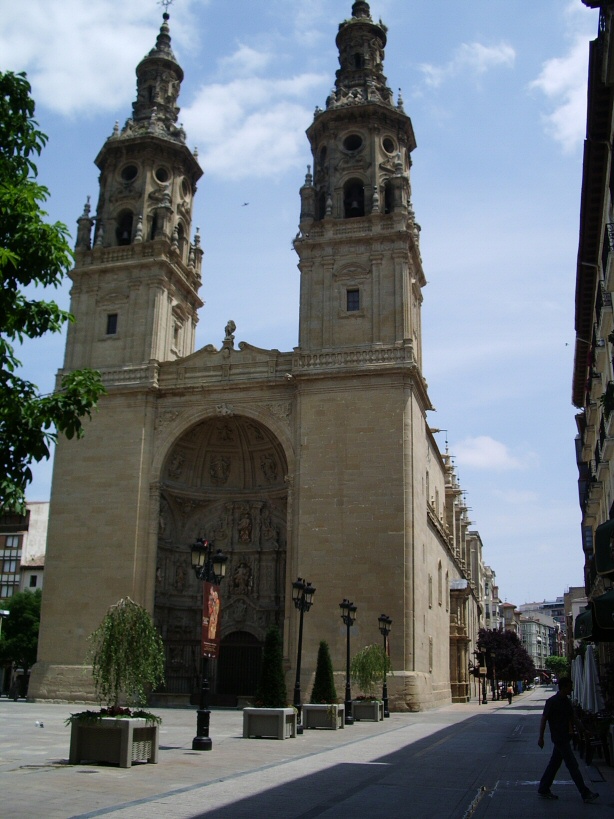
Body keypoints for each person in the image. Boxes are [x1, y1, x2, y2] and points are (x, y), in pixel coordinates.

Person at [537, 676, 599, 804]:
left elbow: (573, 718)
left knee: (554, 764)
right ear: (564, 687)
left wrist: (583, 730)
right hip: (559, 738)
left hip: (564, 737)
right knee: (572, 765)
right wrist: (541, 737)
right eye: (570, 687)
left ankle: (543, 788)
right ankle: (585, 793)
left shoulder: (566, 701)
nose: (571, 689)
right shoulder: (552, 701)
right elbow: (544, 719)